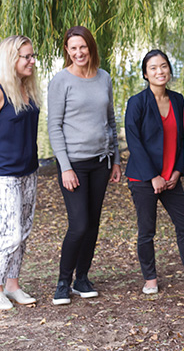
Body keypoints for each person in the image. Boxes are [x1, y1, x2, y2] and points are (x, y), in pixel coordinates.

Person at [124, 50, 184, 294]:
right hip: (143, 179)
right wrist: (153, 176)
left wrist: (177, 171)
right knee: (147, 230)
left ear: (170, 70)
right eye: (153, 68)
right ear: (145, 74)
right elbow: (134, 141)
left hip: (171, 178)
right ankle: (150, 278)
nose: (159, 71)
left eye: (163, 66)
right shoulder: (137, 102)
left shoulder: (177, 100)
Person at [48, 26, 122, 305]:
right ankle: (63, 282)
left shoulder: (104, 78)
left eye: (83, 47)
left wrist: (116, 159)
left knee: (92, 224)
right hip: (74, 165)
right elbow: (54, 127)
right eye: (73, 48)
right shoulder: (60, 81)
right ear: (67, 51)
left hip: (101, 162)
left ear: (90, 47)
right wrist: (65, 167)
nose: (78, 52)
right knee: (78, 225)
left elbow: (110, 121)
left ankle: (82, 278)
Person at [0, 36, 41, 309]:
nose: (32, 61)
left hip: (30, 171)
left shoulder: (28, 88)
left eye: (32, 55)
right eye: (26, 56)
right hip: (5, 174)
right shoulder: (1, 91)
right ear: (10, 59)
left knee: (24, 231)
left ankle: (12, 285)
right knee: (9, 233)